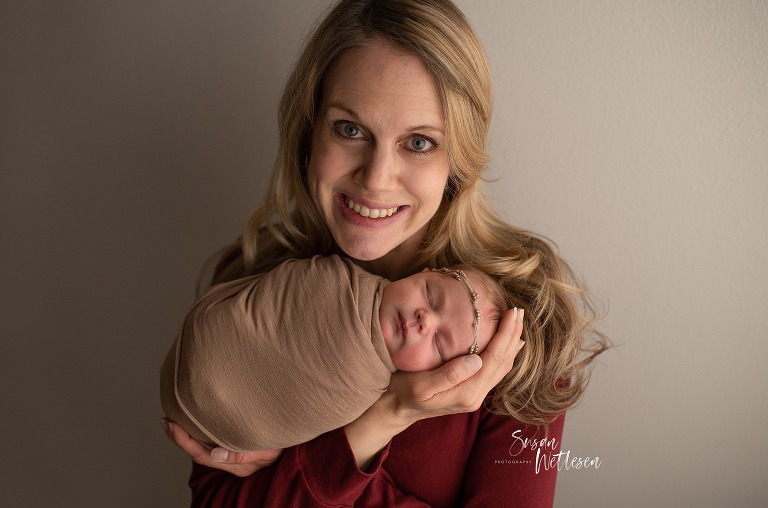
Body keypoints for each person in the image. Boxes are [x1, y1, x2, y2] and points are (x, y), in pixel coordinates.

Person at [160, 0, 609, 506]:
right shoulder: (254, 284)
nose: (376, 179)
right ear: (308, 135)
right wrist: (381, 421)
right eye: (350, 129)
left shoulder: (514, 333)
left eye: (418, 142)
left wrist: (362, 432)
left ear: (457, 163)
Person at [160, 254, 512, 452]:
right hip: (199, 351)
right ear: (425, 271)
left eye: (439, 344)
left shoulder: (366, 395)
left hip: (224, 430)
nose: (424, 319)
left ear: (441, 374)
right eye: (431, 296)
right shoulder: (337, 277)